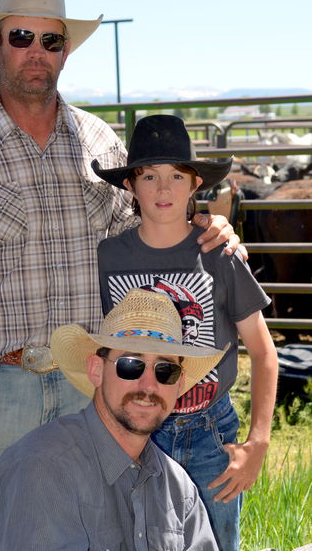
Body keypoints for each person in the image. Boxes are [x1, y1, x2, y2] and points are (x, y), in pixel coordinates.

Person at [0, 0, 241, 551]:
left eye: (50, 40)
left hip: (93, 383)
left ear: (66, 51)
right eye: (21, 37)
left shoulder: (101, 144)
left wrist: (212, 226)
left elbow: (152, 232)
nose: (36, 52)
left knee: (98, 532)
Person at [93, 114, 279, 551]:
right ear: (129, 185)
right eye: (149, 176)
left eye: (177, 175)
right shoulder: (108, 257)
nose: (163, 189)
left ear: (196, 184)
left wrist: (258, 443)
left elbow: (263, 351)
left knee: (213, 541)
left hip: (208, 430)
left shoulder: (219, 256)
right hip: (134, 429)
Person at [0, 288, 225, 550]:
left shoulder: (178, 488)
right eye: (131, 365)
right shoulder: (44, 467)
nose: (148, 385)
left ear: (178, 386)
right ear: (96, 370)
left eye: (165, 370)